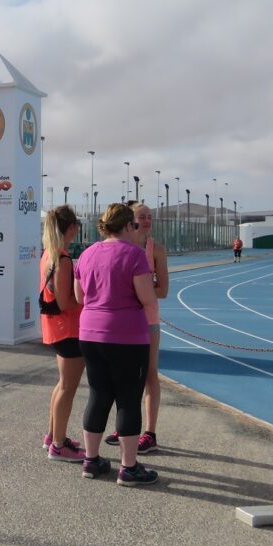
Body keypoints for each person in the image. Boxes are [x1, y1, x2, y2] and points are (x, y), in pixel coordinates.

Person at [75, 203, 159, 486]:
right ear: (126, 226)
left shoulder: (86, 254)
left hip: (89, 333)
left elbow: (79, 296)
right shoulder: (134, 254)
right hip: (126, 336)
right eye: (134, 225)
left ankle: (91, 459)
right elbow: (148, 298)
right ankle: (129, 466)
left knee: (98, 394)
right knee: (128, 399)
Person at [104, 202, 169, 454]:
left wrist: (132, 288)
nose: (147, 221)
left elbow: (163, 290)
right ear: (129, 220)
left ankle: (150, 433)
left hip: (148, 320)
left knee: (150, 374)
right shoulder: (120, 246)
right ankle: (125, 426)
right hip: (122, 320)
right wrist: (140, 286)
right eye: (142, 216)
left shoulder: (156, 250)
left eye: (150, 217)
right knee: (123, 376)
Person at [40, 205, 86, 463]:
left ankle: (53, 435)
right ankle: (58, 446)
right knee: (68, 388)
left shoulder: (49, 254)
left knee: (61, 385)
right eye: (76, 226)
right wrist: (89, 299)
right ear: (70, 228)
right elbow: (66, 302)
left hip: (57, 327)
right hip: (68, 329)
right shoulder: (63, 259)